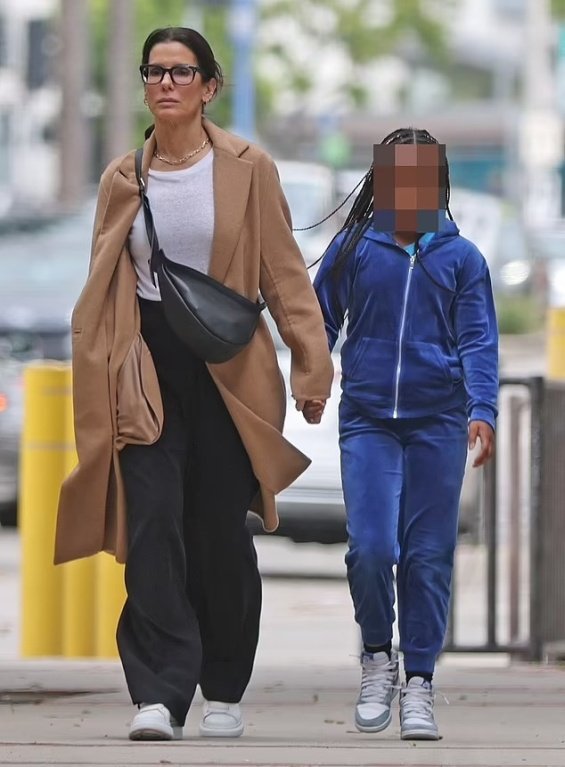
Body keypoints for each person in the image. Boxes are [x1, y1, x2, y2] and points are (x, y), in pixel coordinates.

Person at [55, 26, 333, 741]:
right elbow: (104, 282)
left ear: (209, 88)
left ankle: (225, 680)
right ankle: (158, 691)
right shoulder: (123, 177)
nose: (167, 84)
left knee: (216, 532)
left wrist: (311, 358)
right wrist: (96, 368)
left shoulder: (248, 168)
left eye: (182, 73)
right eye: (155, 71)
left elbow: (281, 271)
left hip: (227, 370)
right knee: (151, 526)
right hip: (143, 368)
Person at [307, 127, 498, 740]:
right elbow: (321, 316)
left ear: (436, 182)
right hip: (367, 420)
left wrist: (482, 408)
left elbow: (477, 339)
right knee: (370, 547)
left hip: (438, 422)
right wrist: (312, 375)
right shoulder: (355, 248)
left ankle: (419, 681)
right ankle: (375, 657)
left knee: (428, 554)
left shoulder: (462, 258)